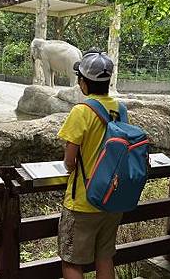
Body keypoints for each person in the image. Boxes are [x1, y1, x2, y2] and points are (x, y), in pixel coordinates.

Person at [57, 50, 123, 279]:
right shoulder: (120, 109)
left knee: (72, 262)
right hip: (112, 199)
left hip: (84, 201)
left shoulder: (81, 111)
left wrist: (70, 166)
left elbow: (69, 161)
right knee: (104, 257)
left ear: (83, 82)